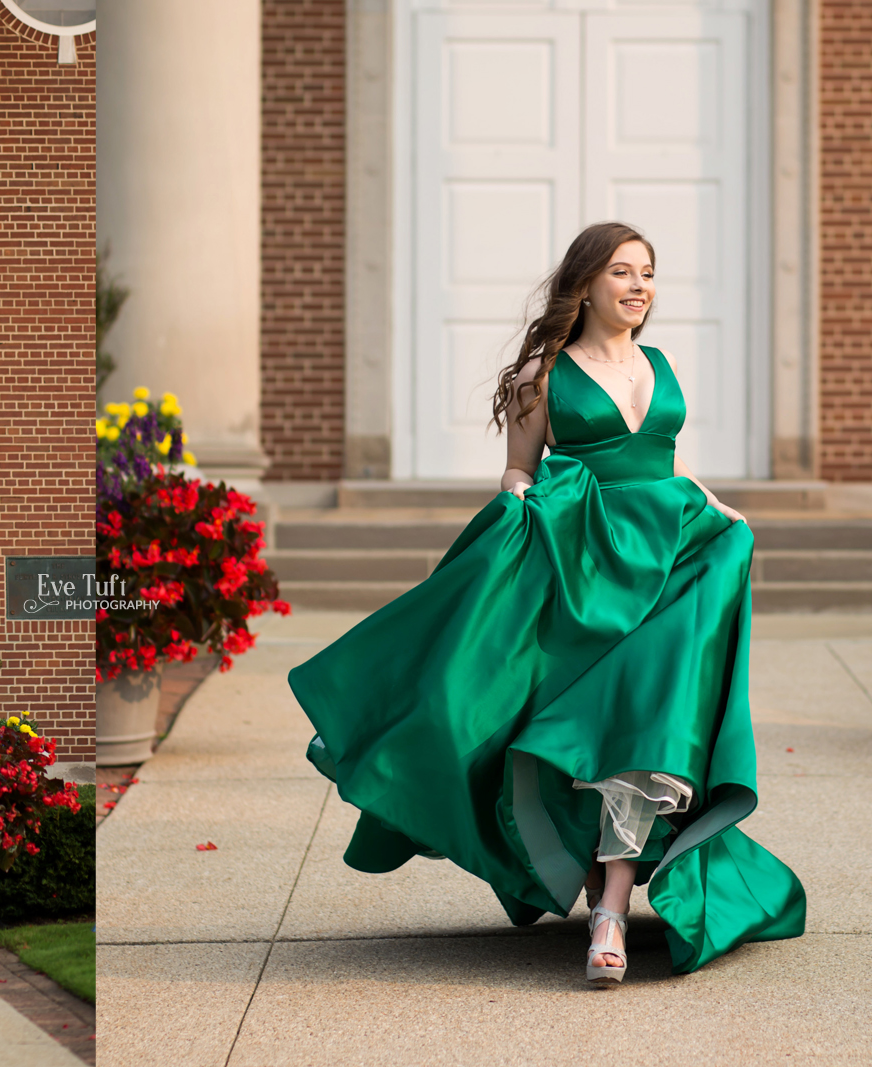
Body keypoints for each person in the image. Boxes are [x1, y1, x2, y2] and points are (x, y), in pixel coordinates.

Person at [288, 221, 804, 984]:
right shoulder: (543, 371)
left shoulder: (658, 363)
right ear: (586, 282)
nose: (639, 286)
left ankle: (610, 913)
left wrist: (716, 502)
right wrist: (517, 522)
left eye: (649, 274)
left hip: (677, 560)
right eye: (623, 272)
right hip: (587, 566)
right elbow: (518, 472)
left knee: (650, 729)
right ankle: (602, 897)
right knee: (574, 736)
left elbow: (664, 456)